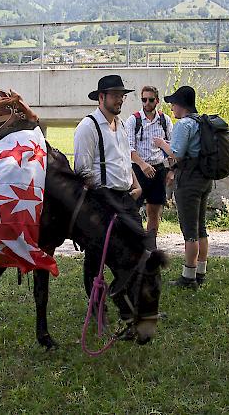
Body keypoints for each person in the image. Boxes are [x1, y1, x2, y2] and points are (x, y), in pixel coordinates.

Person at [73, 74, 143, 299]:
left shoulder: (120, 124)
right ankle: (96, 304)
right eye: (115, 95)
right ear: (101, 97)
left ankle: (128, 299)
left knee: (137, 249)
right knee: (97, 256)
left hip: (126, 197)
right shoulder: (88, 126)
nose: (120, 100)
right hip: (101, 200)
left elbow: (124, 158)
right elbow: (82, 171)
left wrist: (136, 183)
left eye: (122, 95)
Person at [153, 86, 211, 289]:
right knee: (201, 227)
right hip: (204, 179)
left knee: (190, 231)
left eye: (173, 104)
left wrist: (161, 143)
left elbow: (176, 154)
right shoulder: (200, 122)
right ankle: (201, 271)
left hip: (188, 181)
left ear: (181, 105)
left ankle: (188, 276)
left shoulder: (183, 125)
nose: (171, 108)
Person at [124, 85, 174, 249]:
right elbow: (129, 148)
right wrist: (142, 164)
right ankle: (134, 244)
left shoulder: (165, 120)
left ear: (157, 101)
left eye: (150, 100)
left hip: (158, 169)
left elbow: (173, 148)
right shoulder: (133, 120)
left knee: (154, 210)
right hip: (138, 169)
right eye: (144, 99)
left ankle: (151, 246)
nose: (147, 103)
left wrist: (171, 170)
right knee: (134, 209)